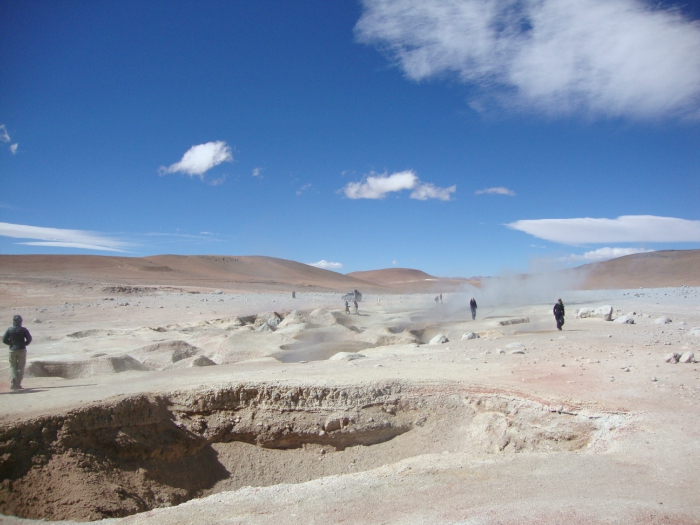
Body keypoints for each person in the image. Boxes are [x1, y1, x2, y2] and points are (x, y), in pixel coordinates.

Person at [3, 315, 32, 390]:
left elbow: (4, 339)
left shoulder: (10, 329)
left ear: (13, 322)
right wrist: (24, 344)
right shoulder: (23, 330)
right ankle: (18, 383)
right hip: (22, 349)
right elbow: (29, 339)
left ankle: (13, 381)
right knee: (20, 367)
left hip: (12, 350)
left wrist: (11, 344)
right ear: (21, 322)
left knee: (12, 366)